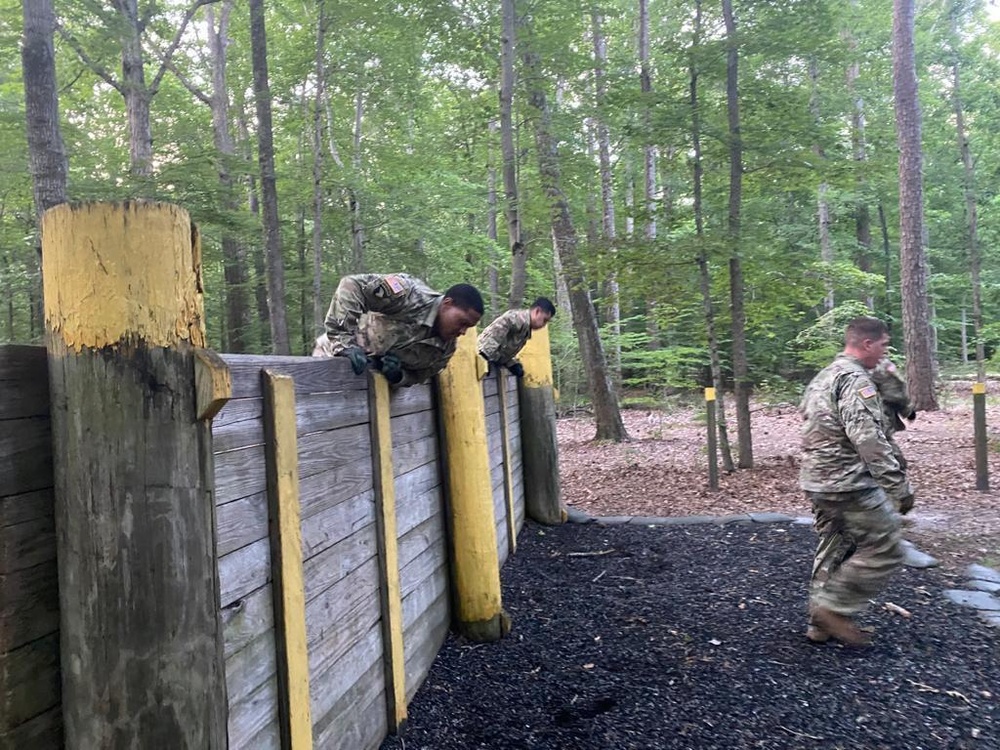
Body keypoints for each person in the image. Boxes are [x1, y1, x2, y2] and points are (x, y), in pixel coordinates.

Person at [799, 316, 914, 646]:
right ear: (866, 344)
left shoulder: (824, 376)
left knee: (835, 545)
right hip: (848, 482)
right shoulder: (854, 381)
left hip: (817, 480)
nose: (884, 352)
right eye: (882, 345)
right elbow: (869, 439)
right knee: (887, 546)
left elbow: (809, 422)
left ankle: (819, 626)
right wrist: (898, 486)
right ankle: (833, 609)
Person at [313, 273, 483, 387]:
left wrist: (398, 376)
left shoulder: (445, 349)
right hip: (331, 358)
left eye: (468, 327)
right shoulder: (409, 295)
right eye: (462, 322)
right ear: (447, 304)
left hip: (369, 385)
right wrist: (343, 341)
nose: (463, 332)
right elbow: (352, 285)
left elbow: (421, 375)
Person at [477, 297, 556, 378]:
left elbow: (504, 348)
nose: (544, 325)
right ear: (537, 311)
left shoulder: (526, 329)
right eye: (544, 320)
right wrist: (484, 356)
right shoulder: (517, 319)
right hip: (479, 357)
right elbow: (495, 333)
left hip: (493, 362)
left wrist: (511, 364)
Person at [869, 356, 917, 477]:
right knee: (892, 461)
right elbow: (895, 391)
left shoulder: (837, 367)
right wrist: (908, 411)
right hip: (874, 418)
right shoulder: (880, 363)